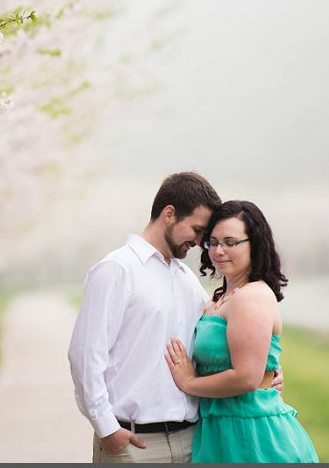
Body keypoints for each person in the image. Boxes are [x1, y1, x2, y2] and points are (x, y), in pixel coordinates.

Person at [67, 172, 283, 463]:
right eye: (196, 229)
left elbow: (222, 338)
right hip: (135, 444)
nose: (200, 241)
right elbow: (85, 355)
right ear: (169, 214)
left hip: (195, 440)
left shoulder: (185, 279)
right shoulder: (118, 269)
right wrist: (106, 428)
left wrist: (266, 373)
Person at [165, 199, 319, 463]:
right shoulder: (217, 300)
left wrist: (189, 383)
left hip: (253, 436)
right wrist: (270, 375)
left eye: (230, 242)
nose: (219, 251)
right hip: (221, 431)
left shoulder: (252, 296)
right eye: (213, 242)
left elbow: (247, 378)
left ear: (255, 244)